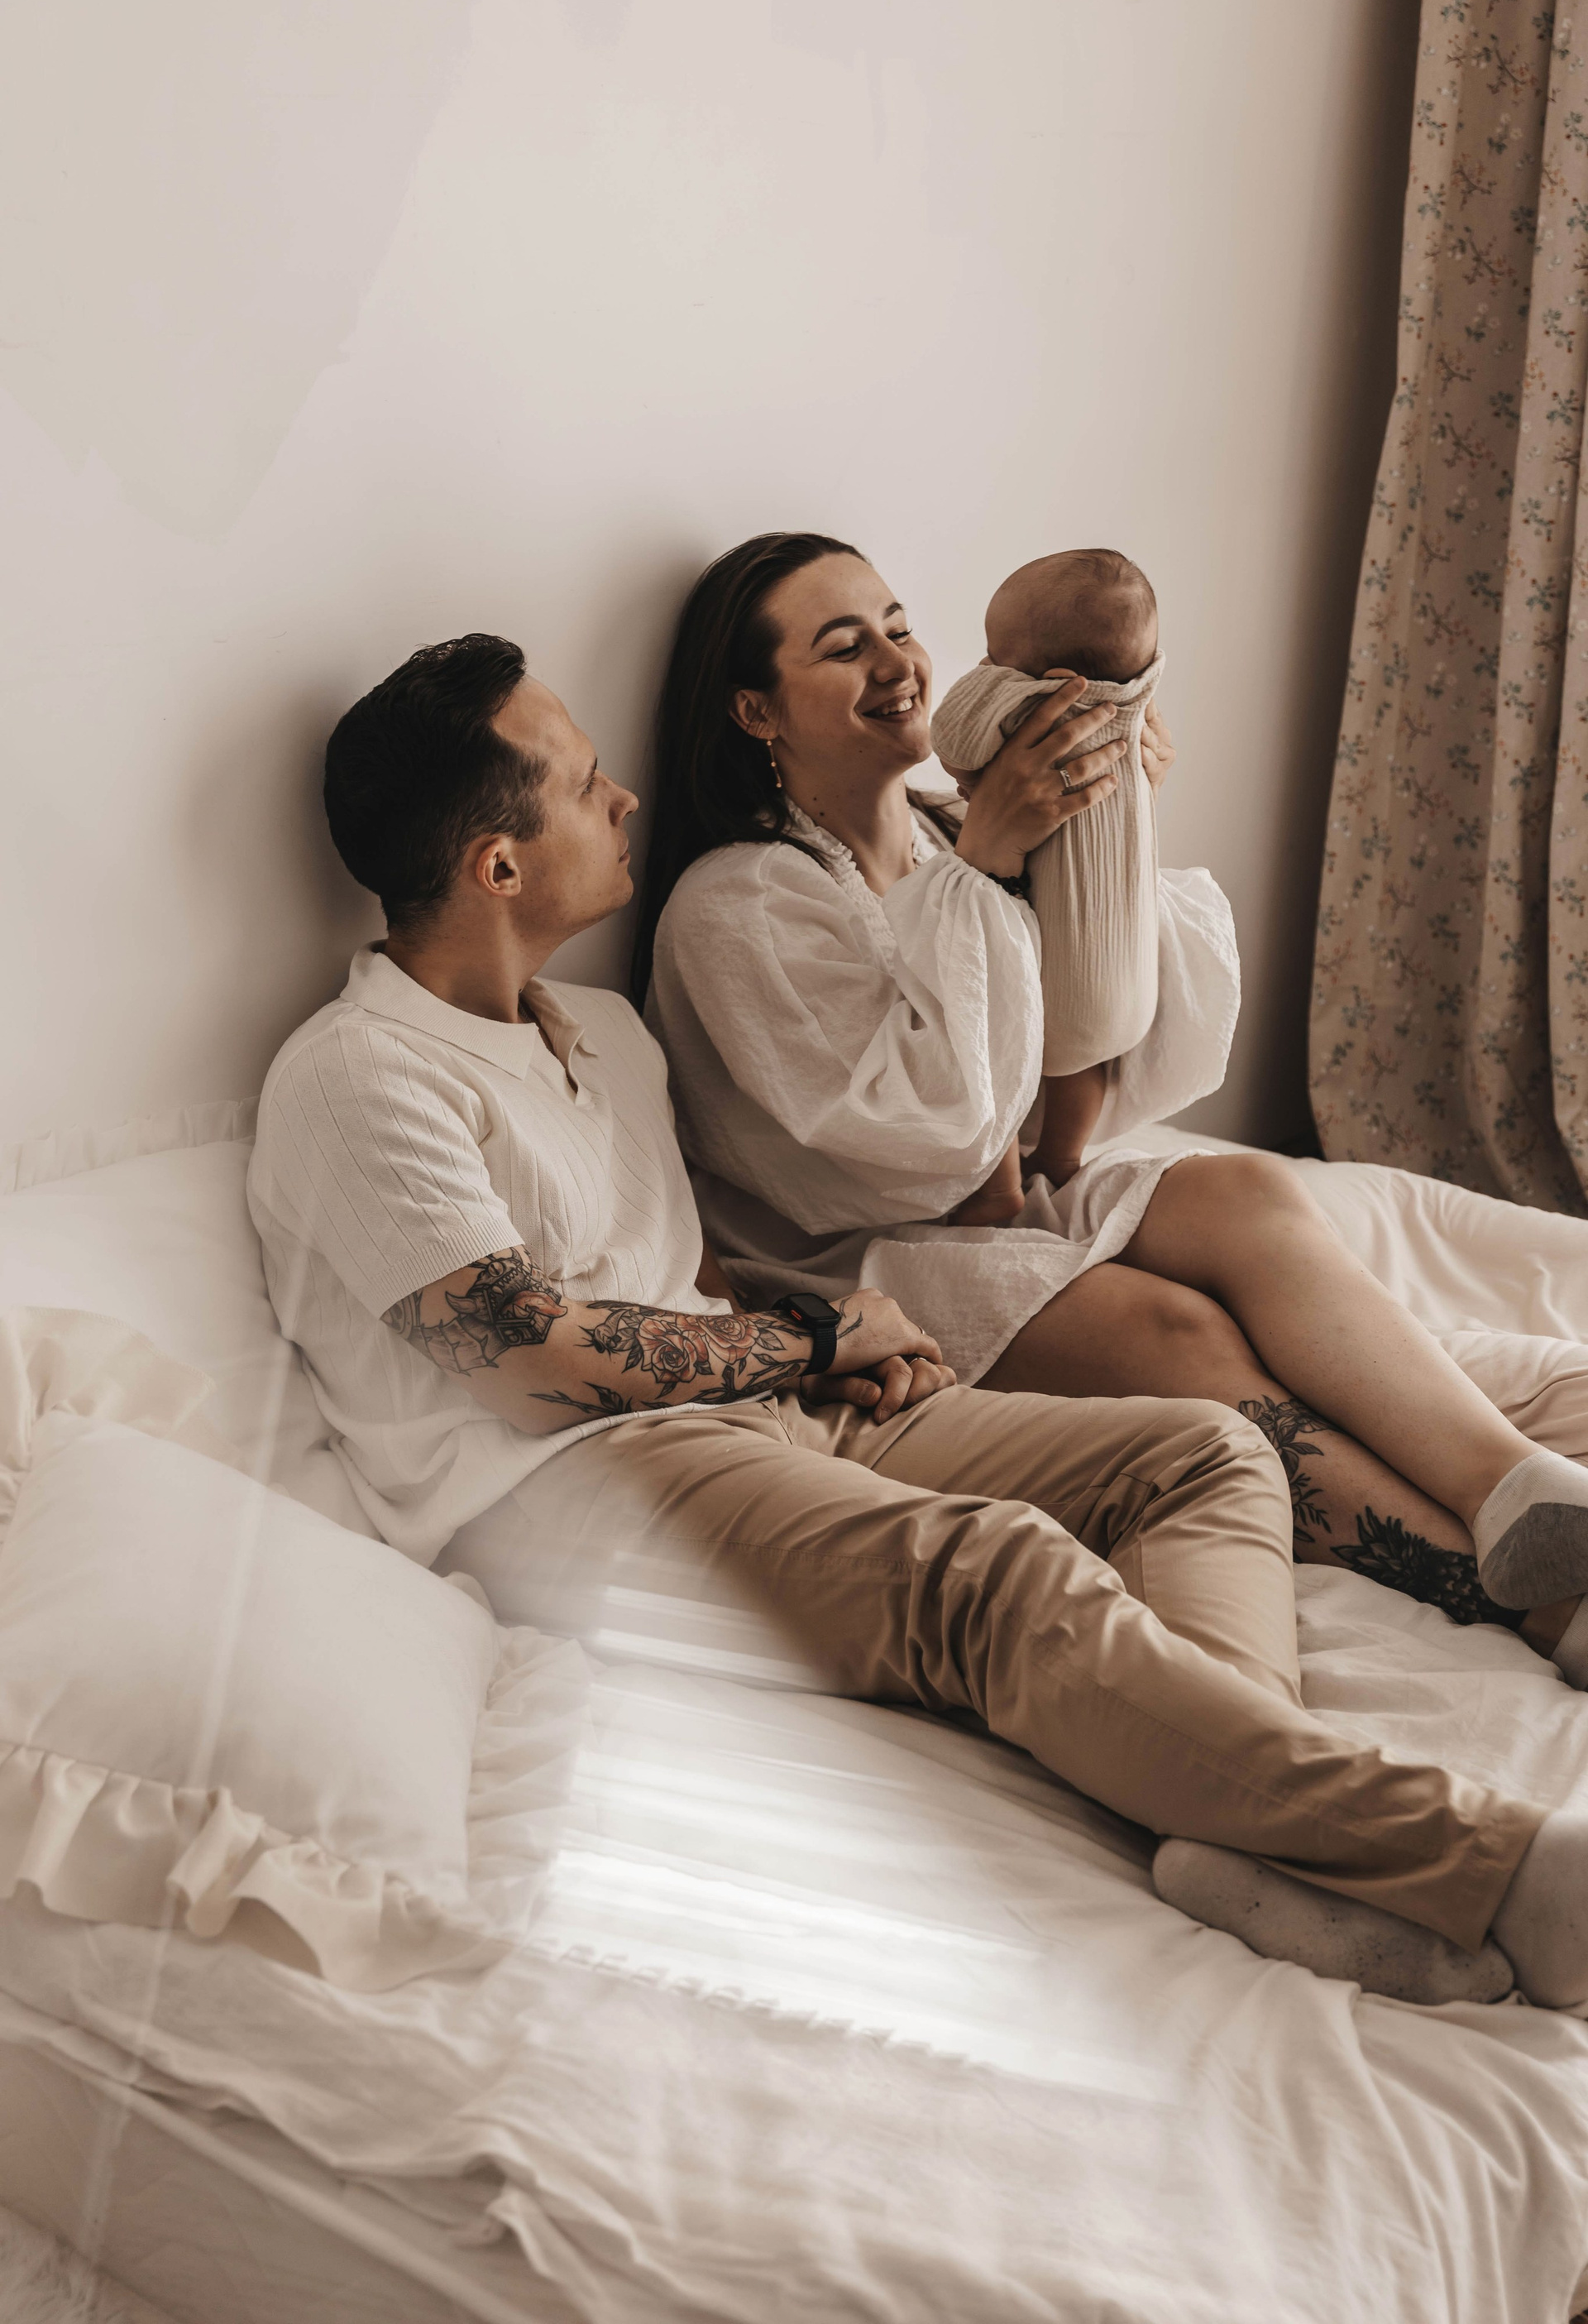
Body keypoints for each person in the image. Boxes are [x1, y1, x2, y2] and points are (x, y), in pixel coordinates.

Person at [246, 627, 1588, 2010]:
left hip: (742, 1412)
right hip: (555, 1486)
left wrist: (823, 1348)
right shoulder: (361, 1075)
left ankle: (1245, 1829)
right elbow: (526, 1362)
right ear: (498, 866)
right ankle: (1497, 1870)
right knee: (996, 1577)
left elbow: (675, 1280)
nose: (623, 796)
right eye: (587, 786)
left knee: (1201, 1451)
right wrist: (816, 1340)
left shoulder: (600, 1032)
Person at [635, 531, 1588, 1654]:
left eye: (899, 628)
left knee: (1244, 1193)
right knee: (1170, 1327)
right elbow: (932, 1138)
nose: (897, 664)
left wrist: (1107, 827)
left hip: (1003, 1196)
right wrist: (989, 866)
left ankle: (1512, 1483)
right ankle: (1526, 1603)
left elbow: (1088, 1075)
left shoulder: (947, 830)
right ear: (756, 711)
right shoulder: (742, 903)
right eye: (845, 649)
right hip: (859, 1258)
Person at [930, 547, 1164, 1218]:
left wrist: (989, 689)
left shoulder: (1042, 705)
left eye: (995, 655)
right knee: (1086, 1058)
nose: (988, 666)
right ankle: (1061, 1159)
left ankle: (1000, 1191)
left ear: (1056, 679)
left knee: (992, 1042)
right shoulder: (1141, 692)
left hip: (1053, 984)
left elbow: (951, 738)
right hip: (1129, 978)